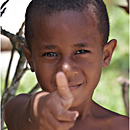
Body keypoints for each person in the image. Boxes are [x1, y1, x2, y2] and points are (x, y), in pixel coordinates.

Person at [3, 0, 129, 130]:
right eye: (50, 54)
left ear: (106, 55)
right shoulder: (28, 114)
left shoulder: (122, 126)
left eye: (81, 52)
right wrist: (38, 110)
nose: (66, 68)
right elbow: (16, 112)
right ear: (31, 59)